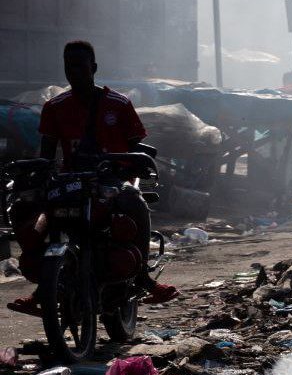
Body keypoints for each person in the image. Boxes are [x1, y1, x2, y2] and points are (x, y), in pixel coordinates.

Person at [6, 40, 176, 318]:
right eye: (68, 66)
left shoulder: (118, 104)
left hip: (111, 182)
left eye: (79, 65)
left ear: (93, 68)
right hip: (70, 183)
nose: (73, 71)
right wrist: (34, 175)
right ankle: (43, 288)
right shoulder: (54, 106)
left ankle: (144, 278)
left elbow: (136, 147)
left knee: (135, 202)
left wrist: (133, 168)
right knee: (23, 207)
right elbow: (47, 154)